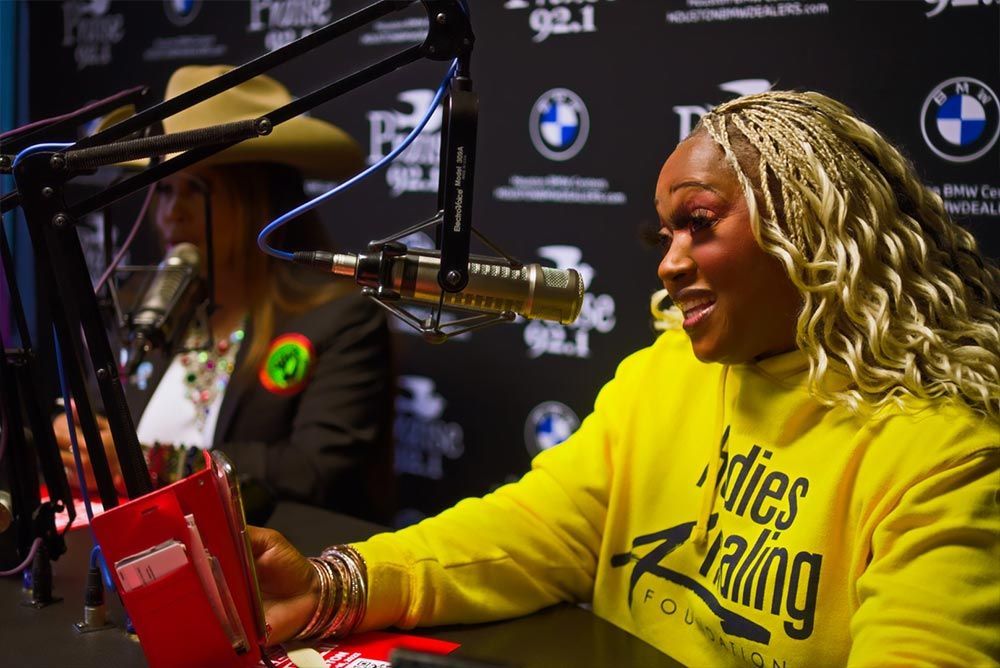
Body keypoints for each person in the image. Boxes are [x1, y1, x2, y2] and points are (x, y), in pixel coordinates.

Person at [252, 89, 1000, 664]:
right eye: (664, 233)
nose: (670, 263)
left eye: (699, 222)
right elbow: (537, 530)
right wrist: (331, 586)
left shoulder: (946, 456)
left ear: (812, 227)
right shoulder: (663, 372)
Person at [54, 65, 395, 523]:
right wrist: (76, 441)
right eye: (164, 191)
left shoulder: (339, 318)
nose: (171, 215)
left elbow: (315, 470)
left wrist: (152, 464)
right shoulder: (138, 304)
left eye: (196, 190)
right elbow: (99, 424)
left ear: (260, 202)